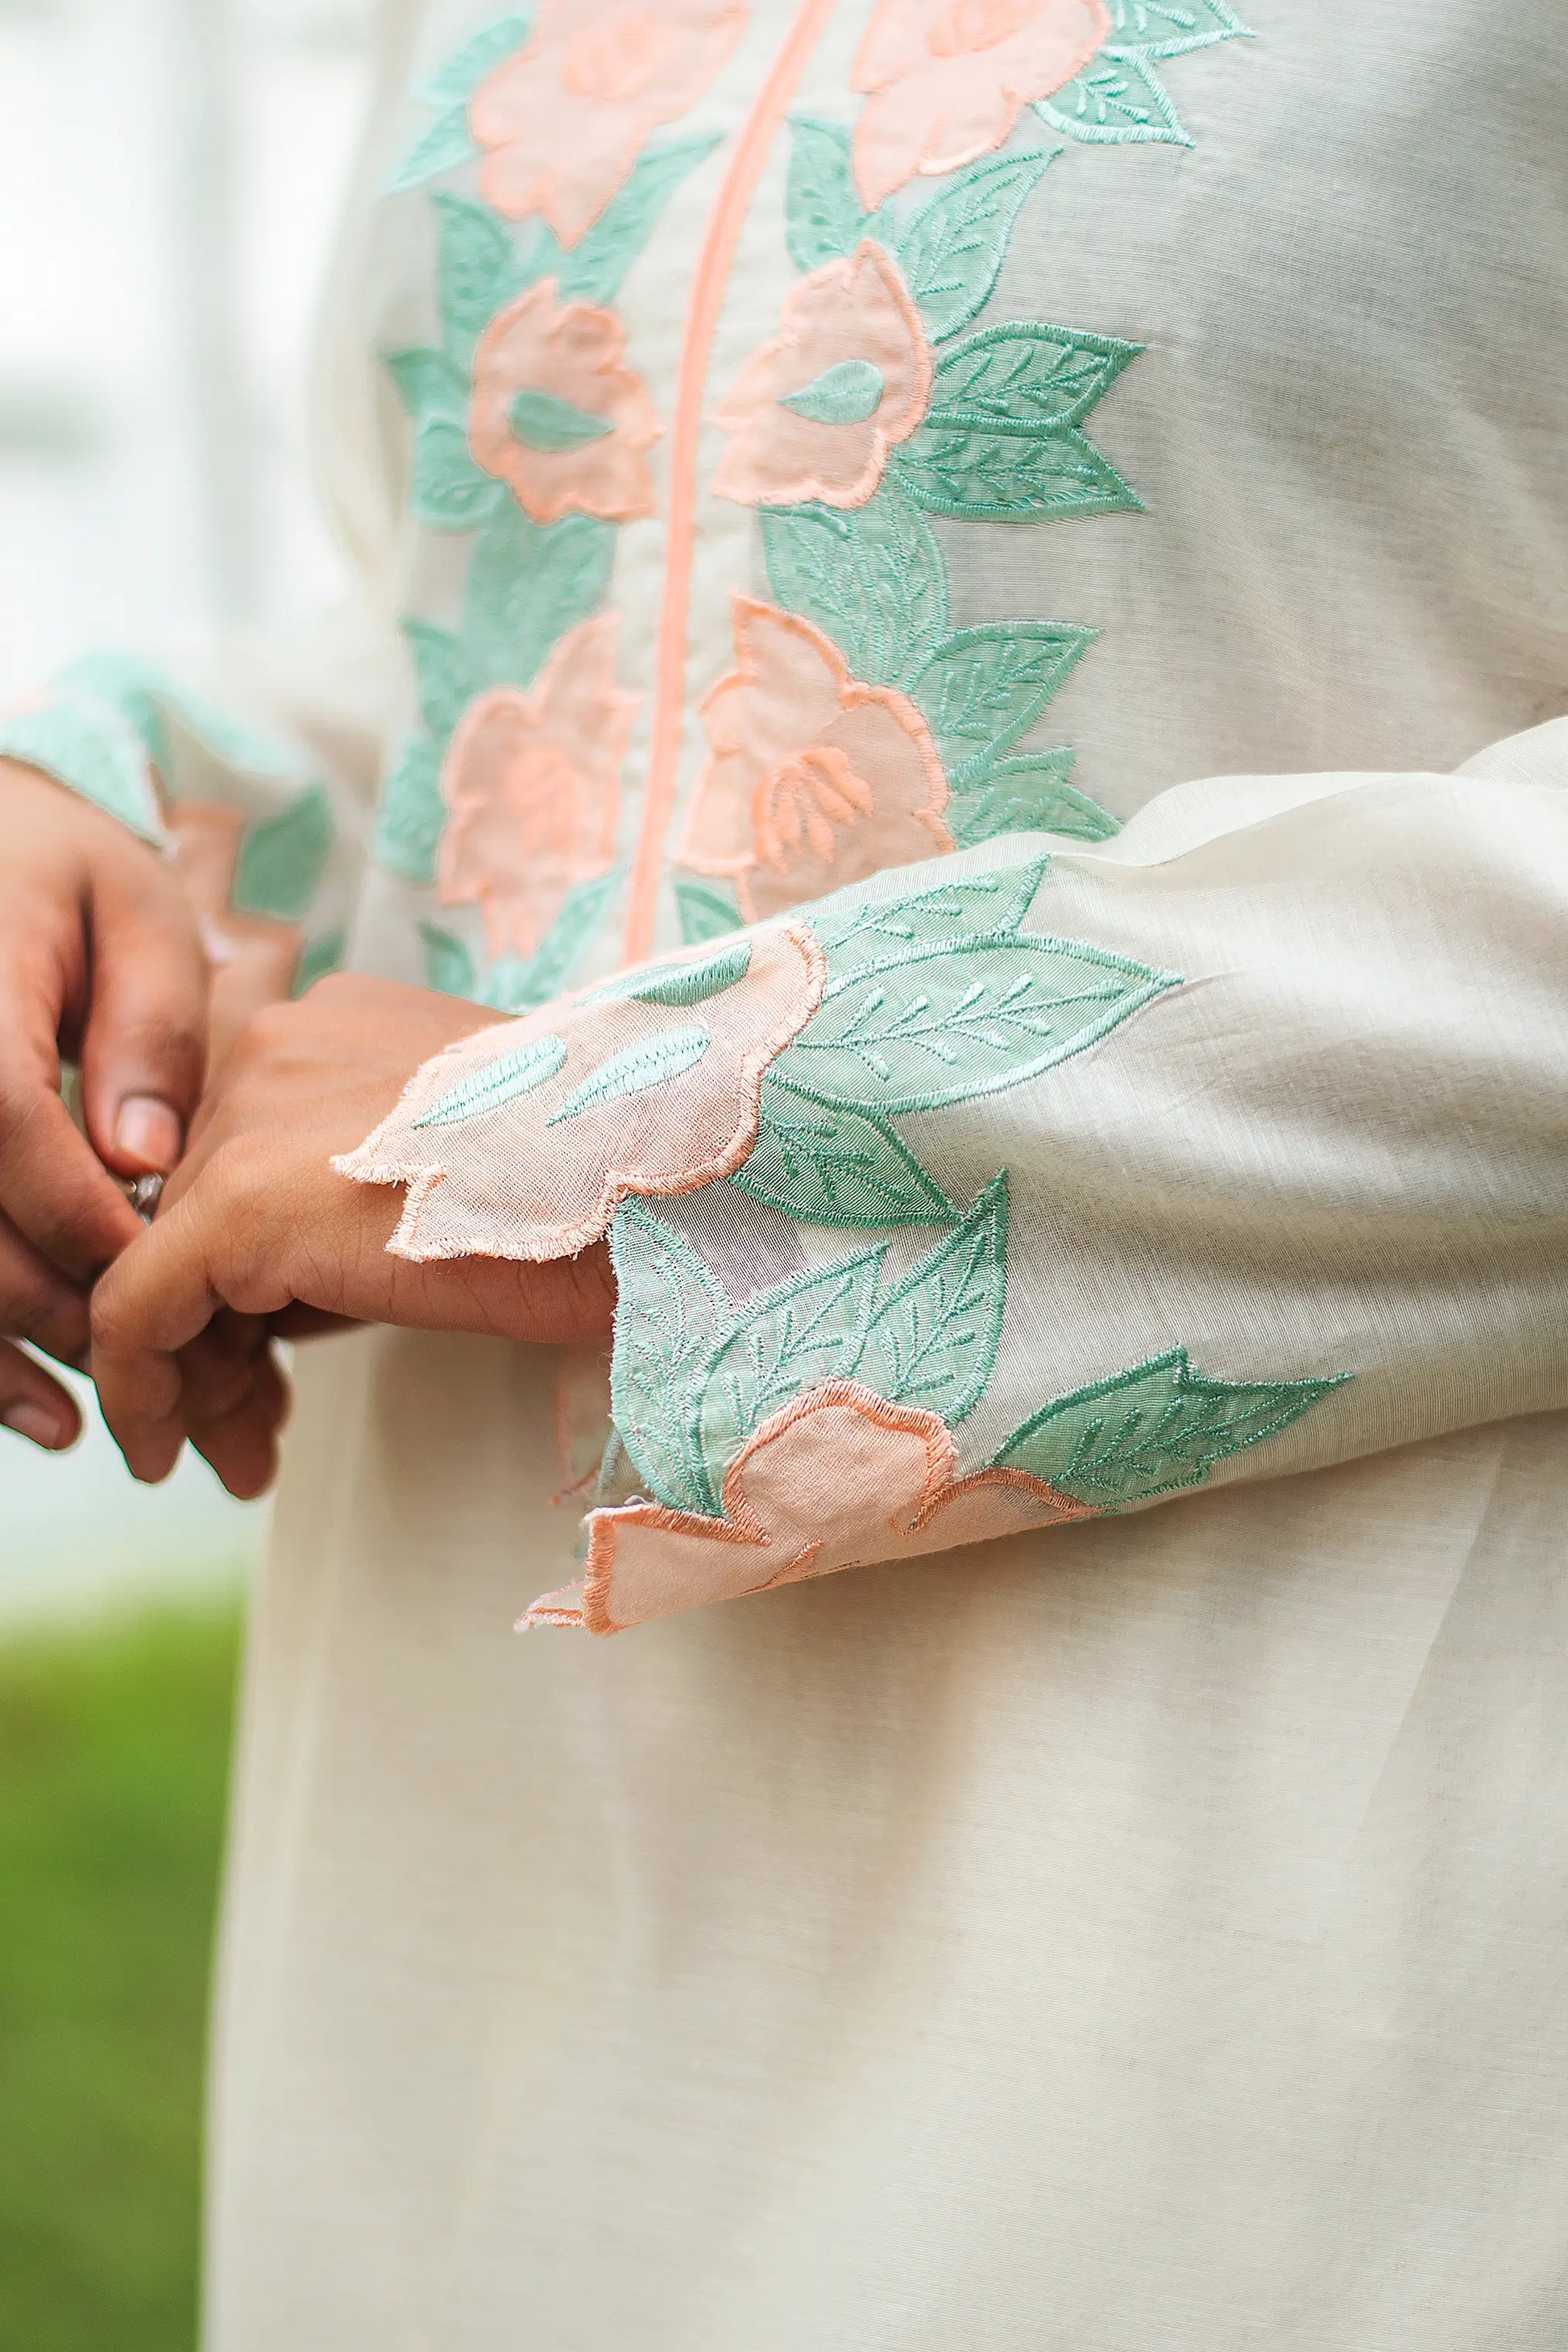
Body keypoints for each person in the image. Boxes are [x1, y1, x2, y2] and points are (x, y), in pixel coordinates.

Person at [3, 1, 1566, 2341]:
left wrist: (623, 1122)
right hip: (476, 1796)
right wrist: (106, 846)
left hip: (1299, 1789)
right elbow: (521, 626)